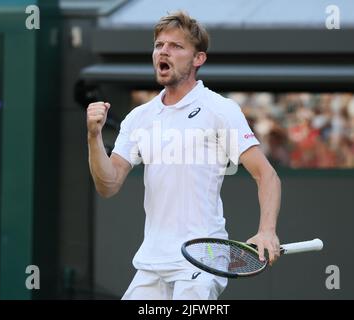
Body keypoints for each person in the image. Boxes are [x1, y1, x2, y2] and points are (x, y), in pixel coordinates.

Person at [87, 11, 281, 300]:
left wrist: (267, 231)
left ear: (198, 58)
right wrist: (93, 137)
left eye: (176, 46)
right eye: (159, 45)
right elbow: (108, 184)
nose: (163, 51)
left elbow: (266, 175)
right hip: (152, 261)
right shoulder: (139, 118)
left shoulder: (219, 109)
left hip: (202, 258)